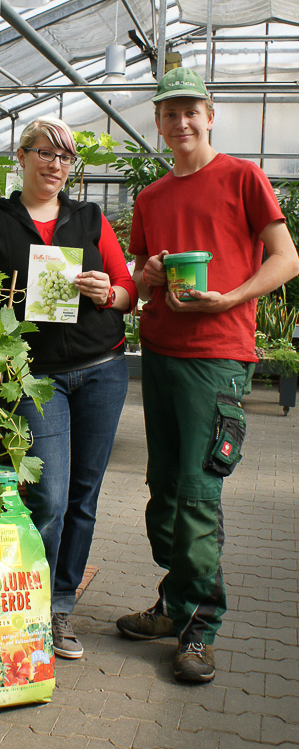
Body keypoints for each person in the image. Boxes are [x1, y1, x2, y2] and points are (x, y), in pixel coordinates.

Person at [116, 67, 299, 683]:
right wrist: (148, 276)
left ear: (210, 114)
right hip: (161, 353)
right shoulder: (151, 197)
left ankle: (202, 625)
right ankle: (175, 605)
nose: (182, 122)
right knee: (163, 496)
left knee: (197, 494)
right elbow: (142, 272)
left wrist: (231, 299)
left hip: (217, 356)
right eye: (170, 113)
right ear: (161, 123)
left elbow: (286, 258)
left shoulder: (243, 178)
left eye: (191, 110)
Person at [0, 116, 138, 659]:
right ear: (22, 155)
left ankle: (60, 609)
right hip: (35, 376)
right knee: (50, 495)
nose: (56, 164)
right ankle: (28, 609)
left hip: (103, 367)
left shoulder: (89, 219)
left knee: (84, 495)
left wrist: (106, 292)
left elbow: (129, 291)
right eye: (46, 152)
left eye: (65, 158)